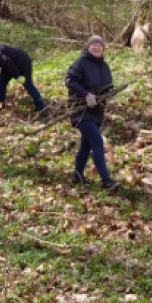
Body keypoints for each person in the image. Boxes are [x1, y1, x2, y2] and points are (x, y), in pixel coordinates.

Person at [64, 35, 117, 190]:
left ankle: (77, 175)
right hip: (80, 110)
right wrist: (85, 94)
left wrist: (109, 92)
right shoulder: (81, 63)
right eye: (93, 44)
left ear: (103, 49)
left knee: (86, 145)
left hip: (97, 111)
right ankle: (106, 180)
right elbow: (69, 80)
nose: (96, 47)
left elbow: (107, 86)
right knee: (97, 142)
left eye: (99, 45)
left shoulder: (104, 66)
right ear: (88, 47)